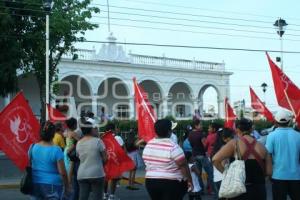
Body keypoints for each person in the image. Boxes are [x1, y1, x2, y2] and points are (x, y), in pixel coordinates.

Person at [213, 118, 272, 200]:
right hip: (259, 190)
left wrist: (226, 174)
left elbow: (215, 159)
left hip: (239, 190)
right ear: (251, 129)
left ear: (237, 129)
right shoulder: (262, 146)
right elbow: (269, 172)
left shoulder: (234, 143)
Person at [143, 119, 193, 200]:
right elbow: (183, 166)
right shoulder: (173, 147)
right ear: (169, 131)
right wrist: (189, 181)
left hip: (151, 182)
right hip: (171, 182)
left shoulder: (149, 145)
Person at [265, 109, 300, 200]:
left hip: (278, 175)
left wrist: (269, 173)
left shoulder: (271, 136)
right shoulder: (298, 135)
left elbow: (268, 155)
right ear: (289, 122)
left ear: (276, 122)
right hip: (297, 176)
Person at [30, 121, 70, 200]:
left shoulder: (33, 147)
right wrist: (67, 186)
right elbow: (63, 173)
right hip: (52, 185)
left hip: (35, 183)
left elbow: (31, 164)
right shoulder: (56, 150)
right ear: (53, 134)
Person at [76, 121, 107, 200]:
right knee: (97, 197)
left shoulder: (78, 143)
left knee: (83, 197)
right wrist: (100, 164)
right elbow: (105, 158)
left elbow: (79, 157)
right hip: (97, 173)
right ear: (91, 129)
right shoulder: (98, 141)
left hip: (82, 174)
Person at [188, 119, 214, 194]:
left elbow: (191, 145)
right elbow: (205, 145)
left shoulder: (190, 134)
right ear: (196, 126)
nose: (202, 126)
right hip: (202, 155)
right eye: (200, 124)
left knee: (198, 173)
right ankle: (211, 189)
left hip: (194, 155)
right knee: (210, 172)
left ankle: (201, 190)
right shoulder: (200, 134)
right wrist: (208, 146)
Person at [211, 128, 234, 196]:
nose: (233, 139)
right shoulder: (224, 148)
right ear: (224, 138)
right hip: (223, 179)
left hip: (217, 178)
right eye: (231, 137)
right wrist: (227, 175)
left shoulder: (216, 147)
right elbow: (223, 163)